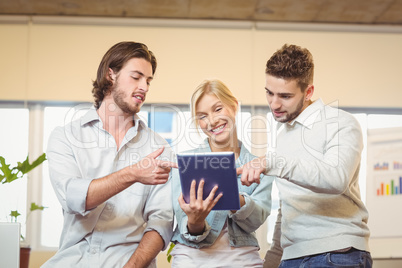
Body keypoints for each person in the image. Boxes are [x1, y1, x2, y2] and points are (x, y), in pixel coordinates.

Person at [42, 41, 177, 268]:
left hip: (129, 262)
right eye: (136, 77)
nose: (144, 86)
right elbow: (74, 199)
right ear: (110, 75)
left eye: (148, 80)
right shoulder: (65, 137)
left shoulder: (159, 147)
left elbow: (161, 222)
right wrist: (132, 174)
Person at [239, 44, 372, 268]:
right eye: (269, 93)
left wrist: (271, 161)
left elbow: (336, 178)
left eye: (285, 96)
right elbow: (289, 206)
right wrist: (273, 259)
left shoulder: (341, 123)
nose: (274, 104)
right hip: (291, 258)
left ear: (308, 92)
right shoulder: (284, 135)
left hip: (335, 255)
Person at [169, 79, 274, 268]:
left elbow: (255, 221)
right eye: (202, 116)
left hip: (242, 259)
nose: (212, 121)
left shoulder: (258, 166)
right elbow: (186, 225)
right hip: (192, 257)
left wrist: (235, 197)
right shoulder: (186, 165)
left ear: (234, 106)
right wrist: (195, 221)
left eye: (218, 109)